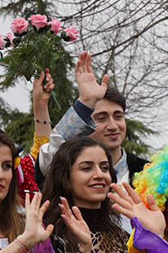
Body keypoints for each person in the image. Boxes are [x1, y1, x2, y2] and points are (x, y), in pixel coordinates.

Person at [37, 53, 148, 183]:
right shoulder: (70, 171)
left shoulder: (147, 172)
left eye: (118, 117)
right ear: (83, 124)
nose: (113, 126)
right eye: (101, 118)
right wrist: (86, 102)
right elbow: (51, 158)